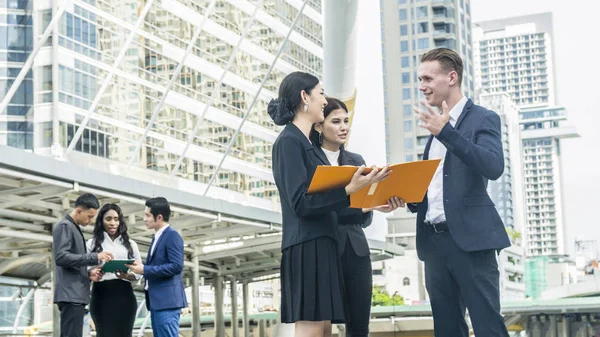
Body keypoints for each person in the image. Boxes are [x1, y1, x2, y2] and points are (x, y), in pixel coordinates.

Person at [268, 71, 390, 337]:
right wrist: (349, 189)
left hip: (320, 243)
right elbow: (300, 202)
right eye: (320, 93)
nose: (324, 100)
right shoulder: (289, 142)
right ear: (304, 97)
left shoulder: (303, 144)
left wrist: (367, 202)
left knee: (322, 331)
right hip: (306, 245)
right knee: (313, 331)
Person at [408, 48, 511, 337]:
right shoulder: (435, 128)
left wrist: (446, 133)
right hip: (434, 244)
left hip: (471, 242)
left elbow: (492, 166)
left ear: (452, 77)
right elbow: (440, 186)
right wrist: (405, 198)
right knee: (447, 329)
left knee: (488, 326)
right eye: (419, 79)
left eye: (428, 78)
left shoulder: (482, 118)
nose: (421, 85)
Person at [309, 97, 403, 337]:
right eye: (336, 121)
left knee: (359, 324)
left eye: (346, 121)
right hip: (323, 248)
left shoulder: (356, 162)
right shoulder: (309, 160)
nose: (344, 127)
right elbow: (317, 208)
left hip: (356, 249)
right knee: (320, 323)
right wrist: (359, 208)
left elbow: (363, 218)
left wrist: (376, 205)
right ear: (319, 126)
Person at [53, 193, 114, 337]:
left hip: (75, 295)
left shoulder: (73, 227)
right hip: (70, 295)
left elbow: (71, 262)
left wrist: (87, 274)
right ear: (79, 211)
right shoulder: (65, 226)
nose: (91, 220)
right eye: (90, 216)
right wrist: (95, 257)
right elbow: (61, 257)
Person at [126, 197, 187, 337]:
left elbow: (177, 266)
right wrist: (138, 270)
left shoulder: (172, 236)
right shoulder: (157, 237)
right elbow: (158, 265)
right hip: (157, 302)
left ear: (159, 217)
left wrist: (145, 269)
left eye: (147, 215)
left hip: (167, 303)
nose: (144, 218)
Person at [87, 203, 142, 337]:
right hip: (101, 295)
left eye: (116, 219)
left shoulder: (130, 244)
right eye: (108, 219)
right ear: (101, 221)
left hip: (124, 295)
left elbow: (139, 272)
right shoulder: (91, 244)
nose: (113, 223)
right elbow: (85, 270)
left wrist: (127, 275)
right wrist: (97, 270)